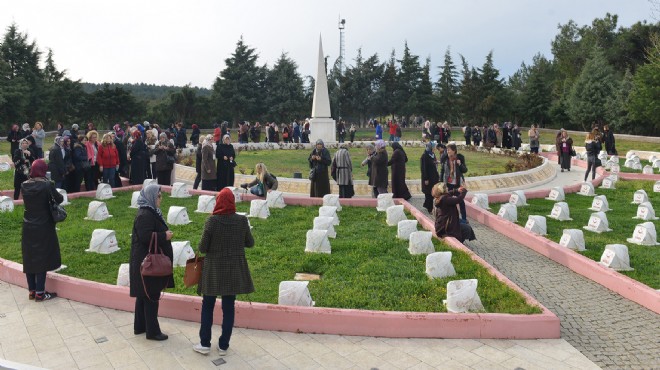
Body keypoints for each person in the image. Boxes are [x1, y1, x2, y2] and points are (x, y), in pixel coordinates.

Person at [193, 188, 254, 356]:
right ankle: (223, 345)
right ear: (233, 202)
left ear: (218, 201)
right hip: (233, 270)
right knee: (229, 308)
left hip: (213, 270)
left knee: (208, 306)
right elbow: (250, 243)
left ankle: (205, 343)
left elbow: (202, 247)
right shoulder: (242, 221)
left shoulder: (212, 221)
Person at [129, 184, 174, 341]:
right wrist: (164, 236)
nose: (161, 199)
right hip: (147, 264)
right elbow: (145, 236)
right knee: (151, 296)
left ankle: (140, 326)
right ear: (152, 197)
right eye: (159, 196)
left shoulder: (150, 212)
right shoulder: (145, 214)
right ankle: (153, 331)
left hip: (145, 262)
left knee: (143, 295)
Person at [21, 159, 63, 301]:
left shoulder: (24, 185)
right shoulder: (46, 185)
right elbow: (59, 199)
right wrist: (50, 184)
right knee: (42, 257)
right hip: (44, 225)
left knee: (30, 256)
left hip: (28, 224)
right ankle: (40, 292)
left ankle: (32, 291)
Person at [439, 144, 468, 224]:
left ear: (454, 150)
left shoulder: (460, 158)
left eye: (449, 149)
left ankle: (464, 219)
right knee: (448, 202)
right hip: (448, 184)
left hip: (458, 184)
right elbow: (442, 171)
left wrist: (460, 164)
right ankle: (449, 219)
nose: (447, 151)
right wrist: (440, 182)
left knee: (461, 201)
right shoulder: (445, 159)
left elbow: (465, 170)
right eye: (447, 150)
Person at [420, 141, 440, 213]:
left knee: (432, 191)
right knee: (428, 193)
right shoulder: (425, 155)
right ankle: (429, 208)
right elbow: (424, 168)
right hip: (428, 177)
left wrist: (436, 162)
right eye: (434, 147)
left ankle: (427, 205)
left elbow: (432, 162)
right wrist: (426, 178)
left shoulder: (432, 154)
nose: (435, 148)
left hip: (433, 176)